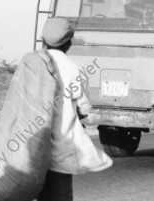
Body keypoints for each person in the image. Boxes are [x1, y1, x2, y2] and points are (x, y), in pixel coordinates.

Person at [37, 18, 112, 201]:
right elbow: (84, 106)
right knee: (61, 195)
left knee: (41, 193)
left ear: (43, 41)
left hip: (32, 142)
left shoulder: (32, 64)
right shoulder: (73, 68)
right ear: (69, 43)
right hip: (61, 145)